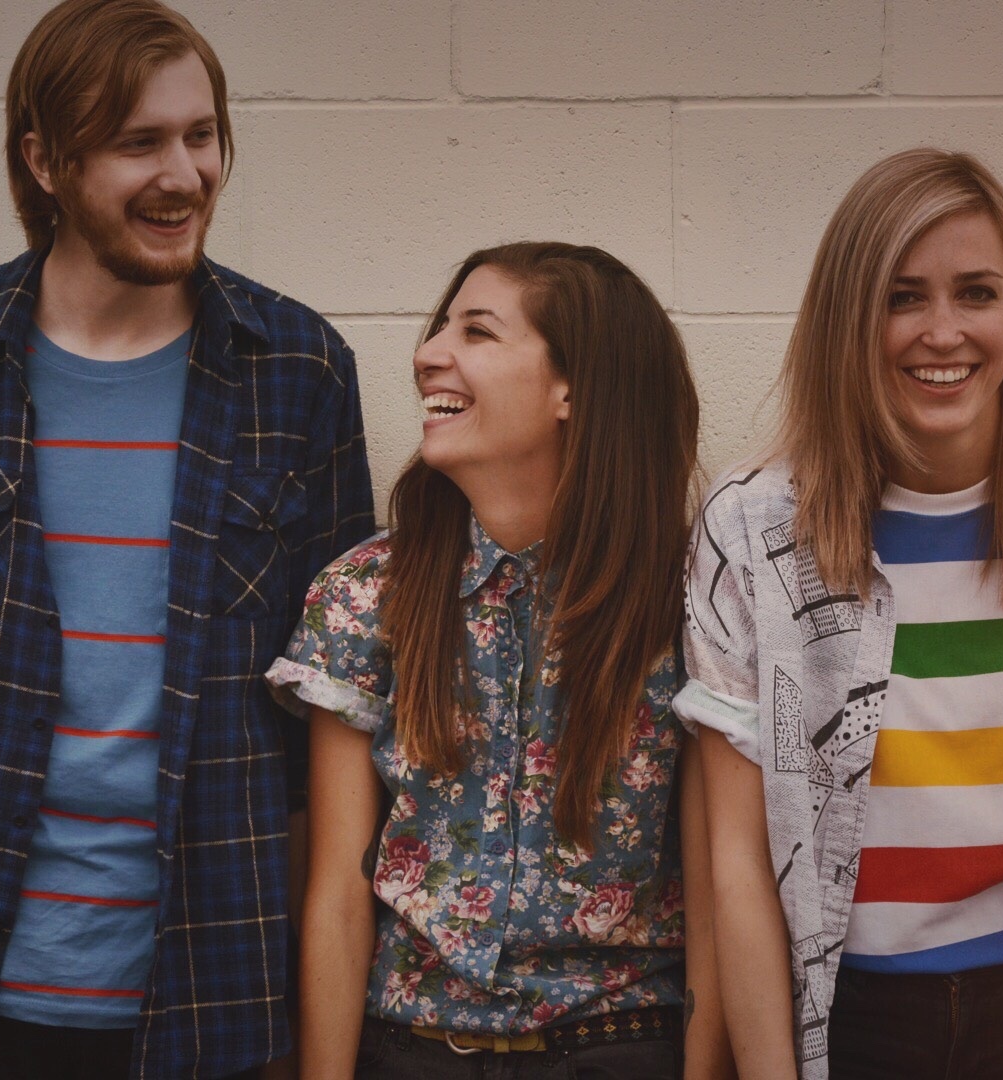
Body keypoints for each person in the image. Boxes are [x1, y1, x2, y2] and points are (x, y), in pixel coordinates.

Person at [0, 1, 373, 1076]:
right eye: (139, 142)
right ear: (45, 161)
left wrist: (311, 1018)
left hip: (212, 997)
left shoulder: (299, 371)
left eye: (202, 134)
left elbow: (330, 733)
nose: (185, 175)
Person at [679, 149, 1003, 1080]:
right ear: (846, 318)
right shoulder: (752, 529)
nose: (944, 332)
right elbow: (739, 865)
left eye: (977, 293)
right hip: (849, 1017)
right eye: (902, 298)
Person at [267, 242, 730, 1078]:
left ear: (572, 389)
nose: (428, 354)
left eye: (476, 332)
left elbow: (716, 894)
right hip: (410, 1053)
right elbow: (336, 891)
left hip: (619, 1047)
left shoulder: (688, 605)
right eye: (441, 327)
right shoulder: (366, 594)